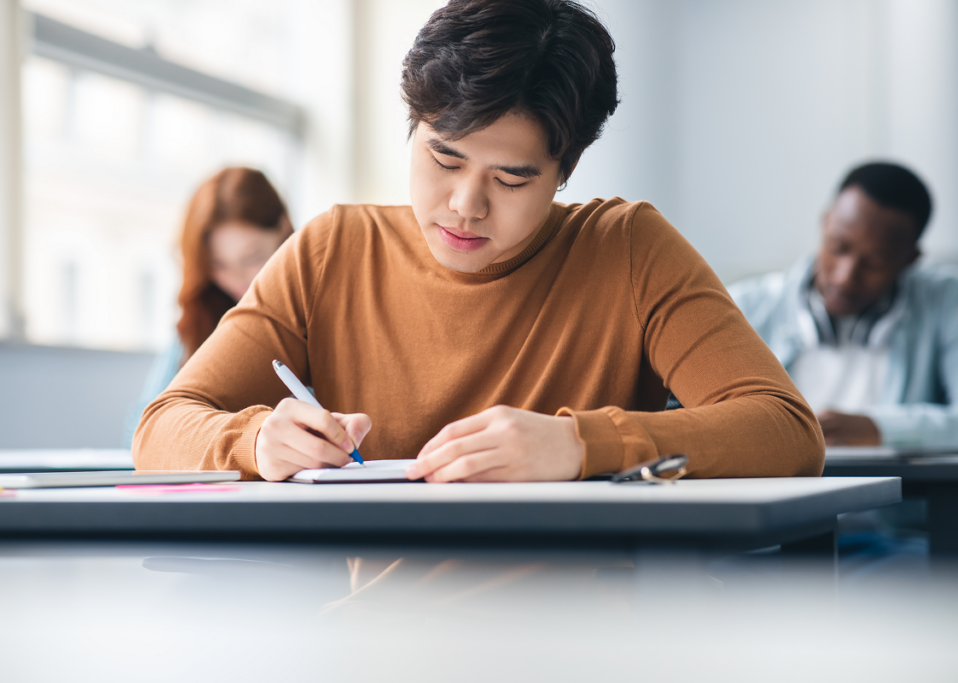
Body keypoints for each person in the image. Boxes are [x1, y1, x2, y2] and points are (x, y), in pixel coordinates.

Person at [134, 0, 822, 482]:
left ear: (564, 171)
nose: (466, 206)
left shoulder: (629, 248)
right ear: (413, 131)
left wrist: (580, 443)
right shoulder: (332, 250)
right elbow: (161, 427)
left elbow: (786, 430)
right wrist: (256, 440)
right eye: (444, 159)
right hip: (379, 637)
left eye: (514, 177)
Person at [730, 162, 958, 448]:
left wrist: (880, 429)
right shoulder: (741, 307)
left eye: (875, 262)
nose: (845, 277)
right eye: (839, 247)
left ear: (909, 260)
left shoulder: (946, 302)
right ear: (825, 222)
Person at [125, 167, 293, 443]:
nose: (237, 279)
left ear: (283, 228)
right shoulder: (199, 318)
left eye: (251, 257)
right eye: (218, 264)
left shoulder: (319, 311)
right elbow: (139, 431)